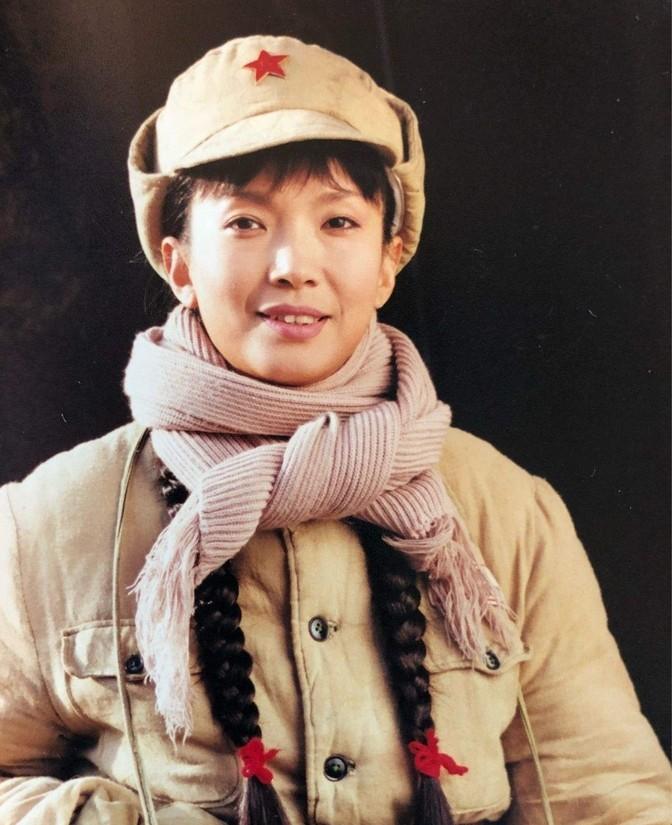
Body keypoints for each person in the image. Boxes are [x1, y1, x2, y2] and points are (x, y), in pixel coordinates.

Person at [0, 34, 669, 825]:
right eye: (246, 222)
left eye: (339, 221)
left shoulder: (506, 511)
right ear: (179, 265)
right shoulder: (50, 525)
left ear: (389, 259)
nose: (294, 263)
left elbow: (607, 795)